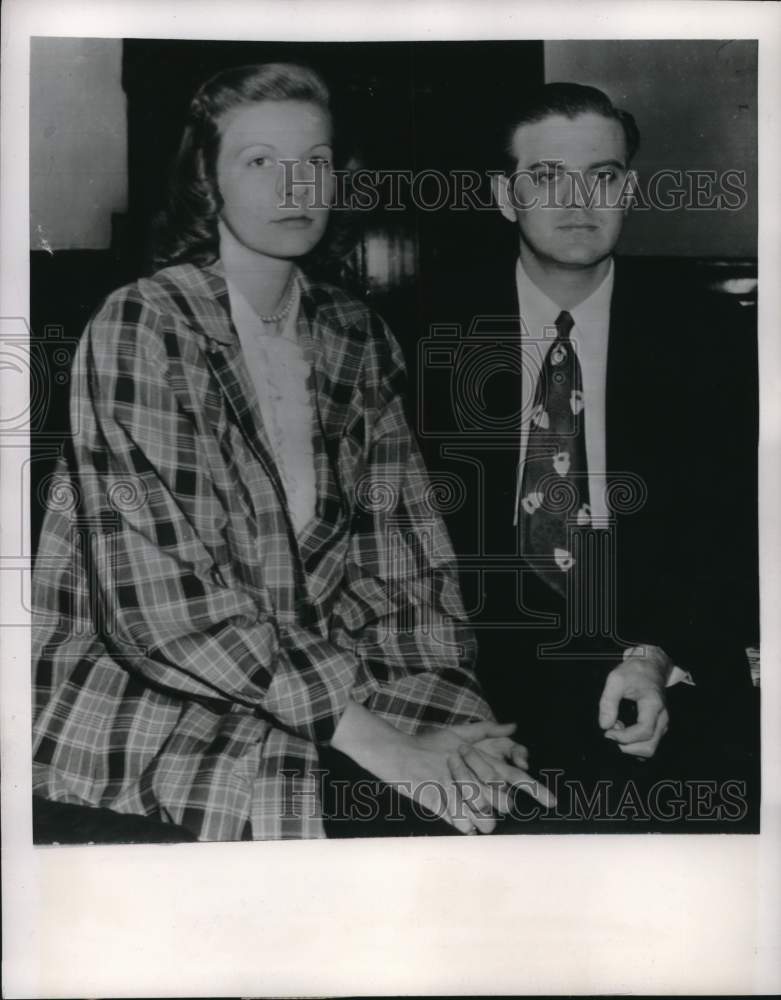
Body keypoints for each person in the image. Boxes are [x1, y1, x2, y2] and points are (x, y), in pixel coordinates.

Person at [31, 63, 554, 842]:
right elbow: (164, 613)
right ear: (207, 183)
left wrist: (450, 712)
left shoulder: (356, 334)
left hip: (319, 675)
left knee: (488, 795)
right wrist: (385, 746)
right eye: (259, 161)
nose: (297, 186)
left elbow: (405, 564)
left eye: (315, 161)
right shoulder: (143, 323)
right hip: (152, 690)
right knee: (346, 829)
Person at [425, 82, 759, 828]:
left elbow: (736, 534)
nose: (579, 198)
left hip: (660, 638)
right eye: (546, 176)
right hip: (481, 656)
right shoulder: (427, 330)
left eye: (602, 175)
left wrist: (654, 653)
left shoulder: (709, 339)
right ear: (504, 196)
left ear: (628, 189)